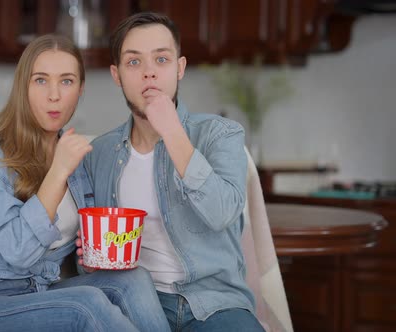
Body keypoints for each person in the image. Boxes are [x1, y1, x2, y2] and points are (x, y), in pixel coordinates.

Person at [0, 34, 170, 332]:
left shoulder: (74, 159)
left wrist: (93, 254)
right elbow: (19, 252)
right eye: (40, 80)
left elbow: (80, 260)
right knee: (85, 304)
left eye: (66, 81)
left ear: (80, 89)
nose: (54, 95)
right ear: (23, 87)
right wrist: (57, 171)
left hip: (37, 291)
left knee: (133, 278)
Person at [81, 12, 265, 332]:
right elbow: (92, 257)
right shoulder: (99, 153)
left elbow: (222, 212)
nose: (149, 73)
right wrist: (89, 258)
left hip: (214, 304)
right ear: (117, 75)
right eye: (134, 62)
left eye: (161, 59)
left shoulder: (220, 134)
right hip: (132, 303)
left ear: (179, 68)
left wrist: (172, 132)